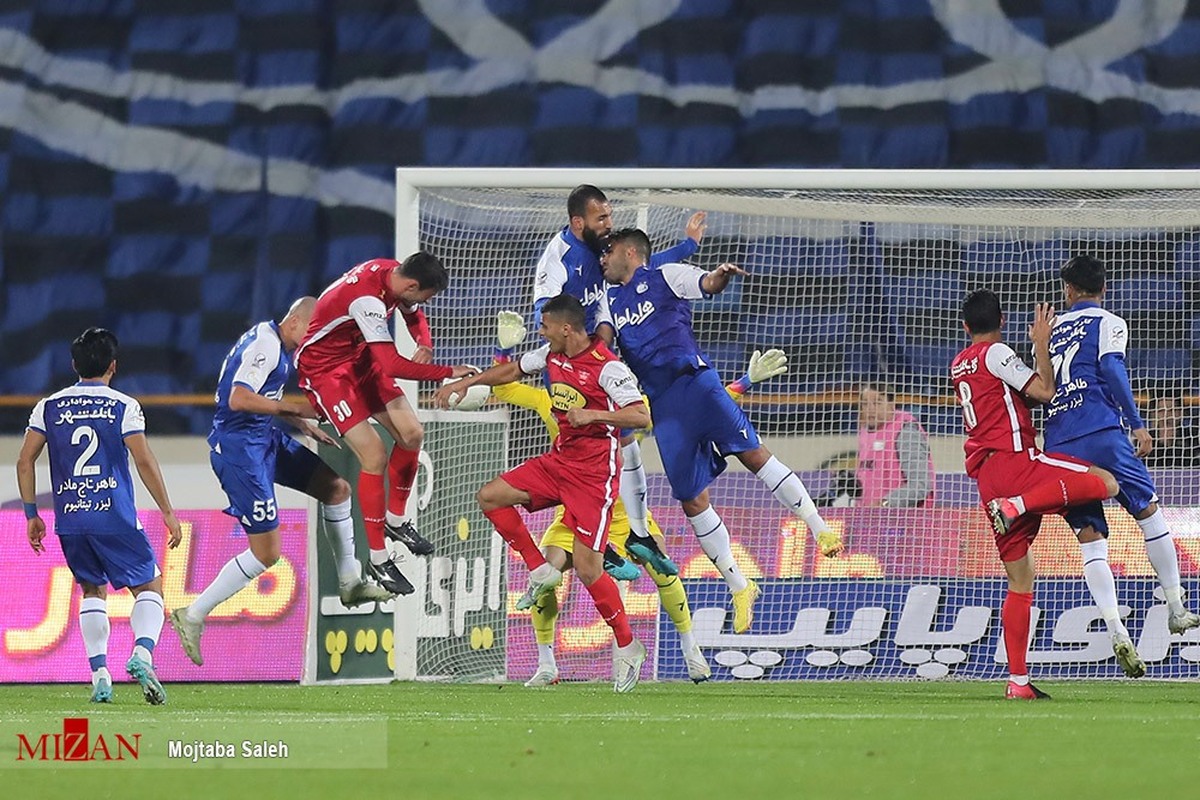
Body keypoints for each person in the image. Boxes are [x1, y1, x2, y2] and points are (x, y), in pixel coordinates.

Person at [491, 311, 790, 685]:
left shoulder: (629, 407)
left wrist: (745, 382)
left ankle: (690, 648)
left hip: (625, 510)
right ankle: (546, 663)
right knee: (549, 572)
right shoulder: (552, 397)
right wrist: (504, 349)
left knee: (663, 567)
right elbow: (503, 388)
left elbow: (694, 410)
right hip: (576, 504)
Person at [594, 228, 845, 636]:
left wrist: (720, 276)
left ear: (628, 251)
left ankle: (820, 527)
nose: (602, 260)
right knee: (691, 501)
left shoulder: (665, 275)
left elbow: (706, 283)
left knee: (752, 454)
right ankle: (741, 586)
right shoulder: (608, 300)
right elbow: (602, 346)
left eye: (607, 252)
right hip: (664, 408)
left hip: (698, 383)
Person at [434, 294, 651, 693]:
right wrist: (468, 382)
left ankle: (627, 645)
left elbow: (641, 415)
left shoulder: (609, 368)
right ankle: (540, 568)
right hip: (559, 461)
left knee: (588, 570)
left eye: (546, 325)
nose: (541, 330)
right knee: (491, 496)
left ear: (566, 328)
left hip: (594, 475)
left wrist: (595, 414)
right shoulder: (550, 355)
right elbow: (512, 371)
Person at [169, 298, 394, 668]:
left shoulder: (276, 343)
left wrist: (298, 424)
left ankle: (350, 580)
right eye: (311, 330)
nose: (313, 339)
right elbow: (238, 399)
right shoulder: (267, 345)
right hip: (240, 451)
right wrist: (292, 409)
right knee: (267, 553)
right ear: (293, 322)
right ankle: (193, 614)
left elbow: (261, 396)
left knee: (337, 489)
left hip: (265, 440)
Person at [951, 290, 1121, 699]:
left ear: (964, 326)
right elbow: (1045, 391)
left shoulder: (958, 363)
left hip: (986, 477)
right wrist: (1042, 344)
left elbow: (1006, 395)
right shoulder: (996, 353)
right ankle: (1021, 505)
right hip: (1016, 463)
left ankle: (1019, 683)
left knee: (1021, 580)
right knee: (1107, 481)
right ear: (1003, 321)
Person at [533, 185, 707, 576]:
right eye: (601, 219)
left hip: (600, 359)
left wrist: (687, 248)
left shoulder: (602, 250)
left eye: (609, 216)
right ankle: (602, 541)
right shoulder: (558, 259)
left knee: (622, 442)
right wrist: (570, 359)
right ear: (579, 222)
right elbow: (543, 318)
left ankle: (629, 536)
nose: (609, 225)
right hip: (573, 366)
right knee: (589, 453)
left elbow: (642, 265)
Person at [1042, 255, 1200, 656]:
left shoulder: (1048, 331)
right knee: (1148, 512)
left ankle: (1115, 628)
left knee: (1090, 539)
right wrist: (1137, 422)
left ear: (1069, 291)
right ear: (1104, 289)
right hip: (1102, 432)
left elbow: (1041, 385)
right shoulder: (1109, 322)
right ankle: (1177, 606)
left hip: (1060, 443)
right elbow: (1111, 368)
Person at [15, 328, 183, 705]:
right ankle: (141, 654)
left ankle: (100, 676)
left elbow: (25, 460)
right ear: (113, 366)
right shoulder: (124, 406)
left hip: (71, 519)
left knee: (92, 590)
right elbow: (143, 460)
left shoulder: (49, 406)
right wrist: (168, 512)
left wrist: (31, 514)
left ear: (74, 365)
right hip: (115, 516)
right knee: (149, 587)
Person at [295, 254, 475, 596]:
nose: (426, 302)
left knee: (412, 434)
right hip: (327, 373)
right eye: (427, 295)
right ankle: (378, 559)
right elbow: (392, 365)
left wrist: (425, 341)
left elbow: (413, 313)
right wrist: (450, 372)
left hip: (360, 359)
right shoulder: (367, 300)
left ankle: (395, 522)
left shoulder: (394, 271)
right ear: (411, 285)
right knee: (374, 454)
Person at [856, 382, 935, 507]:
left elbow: (921, 485)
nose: (870, 409)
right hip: (869, 519)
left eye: (877, 403)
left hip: (903, 521)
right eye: (865, 404)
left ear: (891, 405)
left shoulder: (906, 432)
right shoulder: (865, 433)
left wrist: (885, 503)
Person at [1145, 391, 1199, 469]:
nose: (1166, 415)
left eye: (1171, 410)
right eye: (1161, 411)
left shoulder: (1192, 439)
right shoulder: (1145, 439)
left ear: (1180, 413)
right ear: (1154, 414)